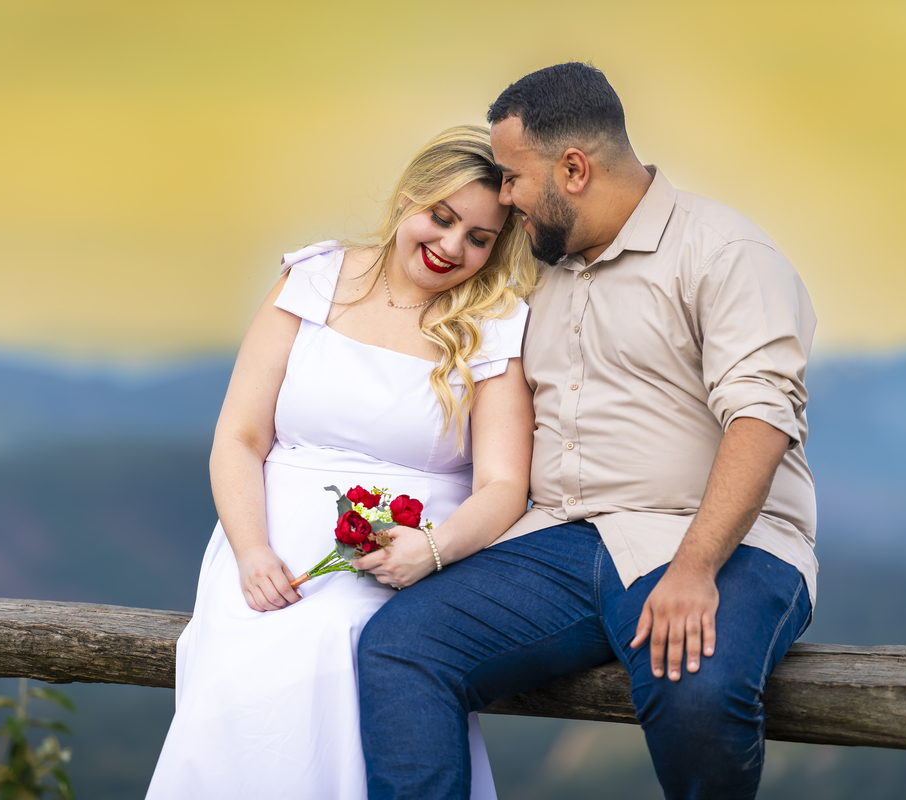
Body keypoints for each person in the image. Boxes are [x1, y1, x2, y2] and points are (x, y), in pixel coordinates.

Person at [358, 63, 818, 799]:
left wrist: (694, 570)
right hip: (562, 539)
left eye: (511, 177)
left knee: (695, 691)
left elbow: (762, 418)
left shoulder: (727, 253)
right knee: (400, 648)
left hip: (715, 541)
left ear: (572, 169)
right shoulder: (537, 273)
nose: (503, 198)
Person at [144, 126, 538, 800]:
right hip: (273, 549)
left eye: (479, 238)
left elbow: (505, 486)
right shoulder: (313, 280)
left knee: (354, 646)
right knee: (259, 664)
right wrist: (250, 551)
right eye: (441, 218)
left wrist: (433, 552)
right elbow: (239, 436)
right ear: (409, 198)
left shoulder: (495, 323)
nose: (451, 247)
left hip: (411, 564)